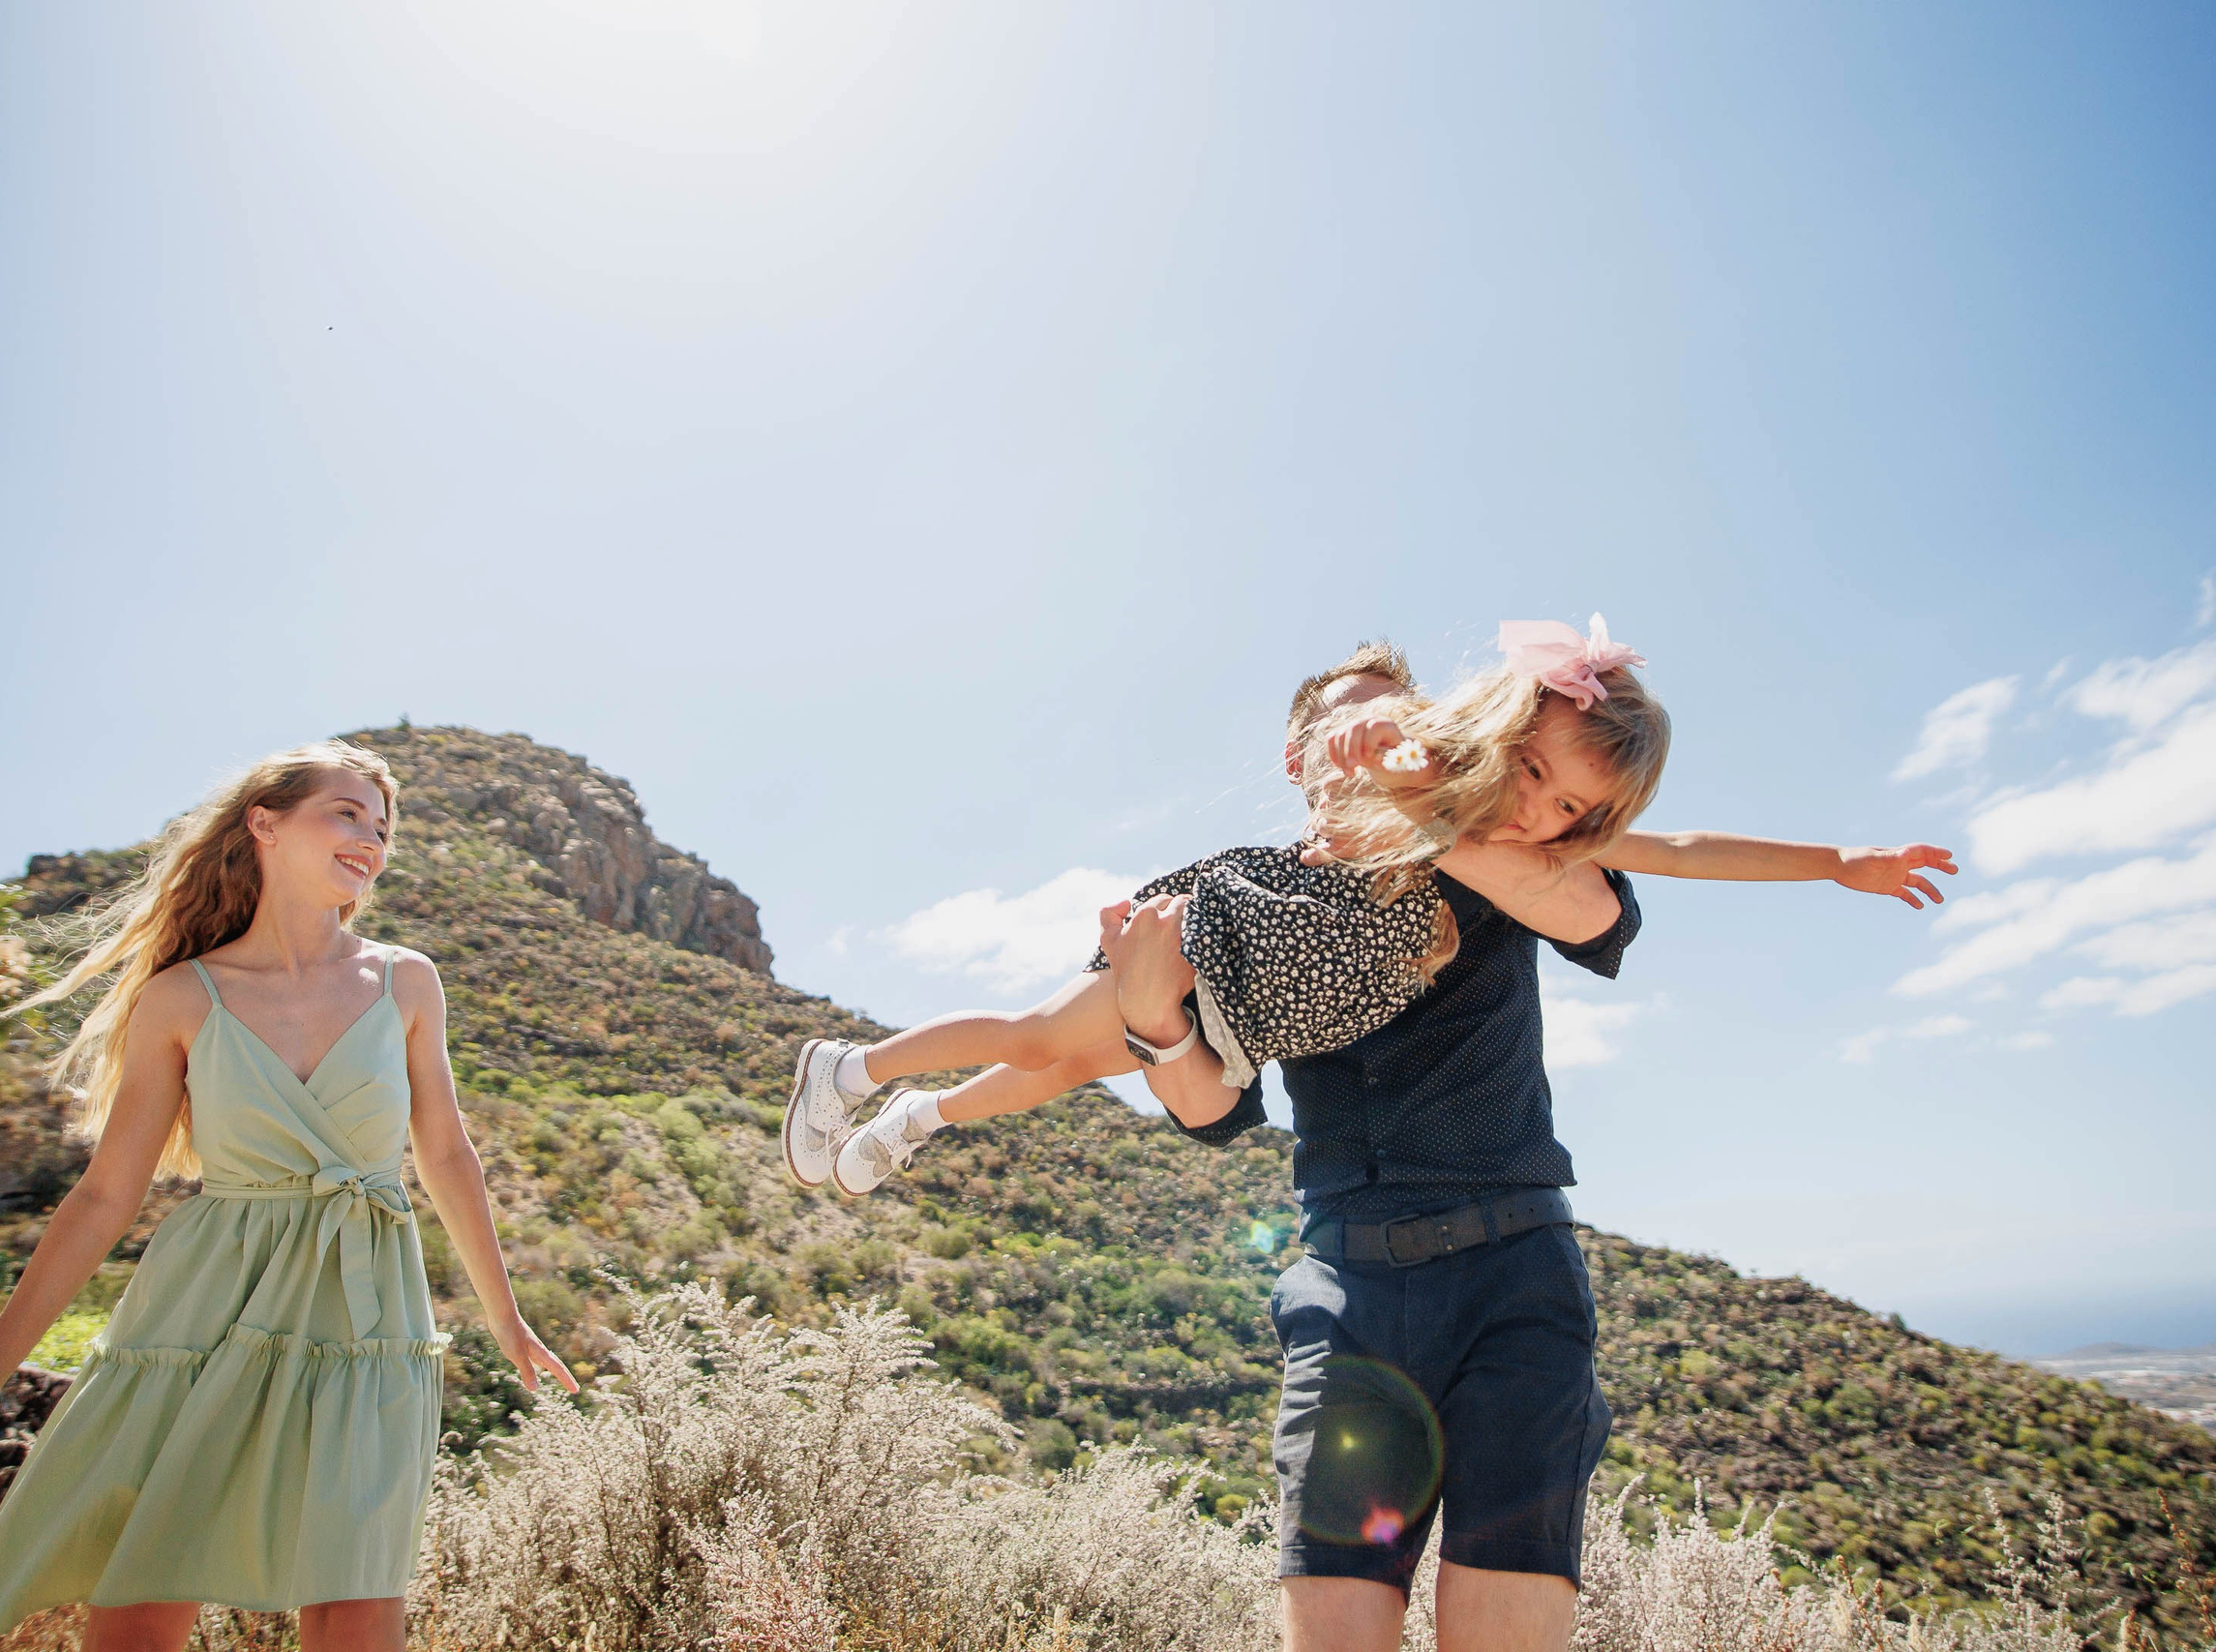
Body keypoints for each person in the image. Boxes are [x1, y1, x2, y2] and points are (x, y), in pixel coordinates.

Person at [797, 630, 1955, 1652]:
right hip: (1345, 1265)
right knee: (1051, 1038)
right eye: (1337, 717)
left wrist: (1838, 864)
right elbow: (1207, 1110)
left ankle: (899, 1105)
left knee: (1053, 1044)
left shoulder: (1514, 860)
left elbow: (1660, 864)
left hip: (1514, 1271)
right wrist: (1155, 1021)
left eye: (1384, 708)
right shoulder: (1270, 884)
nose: (1543, 808)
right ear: (1301, 756)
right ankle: (882, 1089)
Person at [0, 741, 577, 1651]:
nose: (370, 841)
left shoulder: (406, 980)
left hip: (366, 1307)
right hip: (204, 1307)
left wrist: (506, 1317)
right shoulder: (181, 998)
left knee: (358, 1589)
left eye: (382, 828)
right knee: (143, 1589)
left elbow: (449, 1154)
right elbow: (104, 1197)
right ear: (264, 822)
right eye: (346, 814)